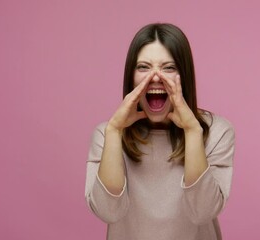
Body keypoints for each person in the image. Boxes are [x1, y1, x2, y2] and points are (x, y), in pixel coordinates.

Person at [85, 23, 235, 240]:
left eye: (169, 67)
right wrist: (115, 131)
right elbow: (108, 211)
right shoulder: (106, 135)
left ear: (184, 75)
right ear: (130, 76)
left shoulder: (217, 132)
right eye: (144, 67)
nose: (155, 77)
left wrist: (192, 131)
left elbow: (203, 212)